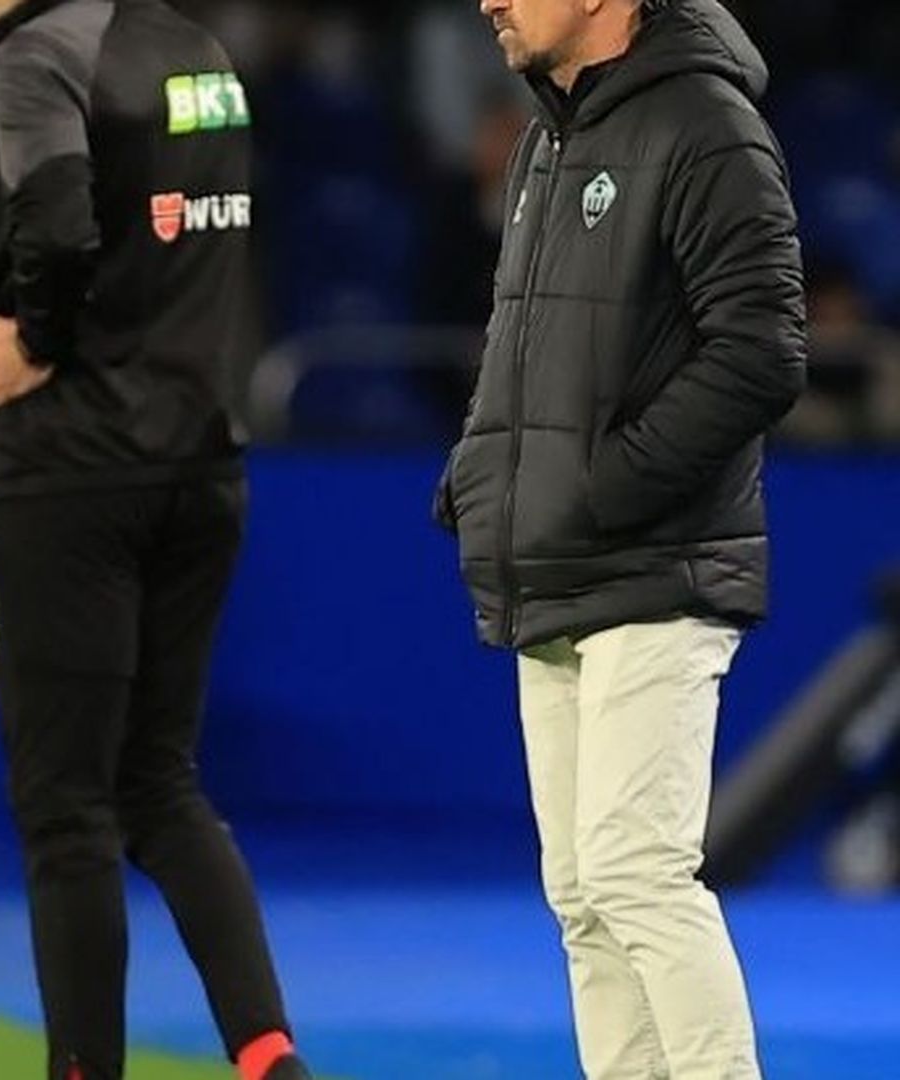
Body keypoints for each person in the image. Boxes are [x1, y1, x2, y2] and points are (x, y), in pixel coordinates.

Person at [435, 1, 807, 1076]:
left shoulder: (707, 125)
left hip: (656, 563)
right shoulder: (554, 136)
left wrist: (609, 485)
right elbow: (522, 338)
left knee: (637, 874)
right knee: (585, 898)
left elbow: (763, 351)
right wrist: (481, 471)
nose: (489, 1)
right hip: (559, 561)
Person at [0, 1, 310, 1078]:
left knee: (67, 814)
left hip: (73, 471)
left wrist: (37, 338)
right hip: (200, 460)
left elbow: (57, 221)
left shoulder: (36, 53)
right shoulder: (197, 47)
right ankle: (270, 1056)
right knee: (159, 783)